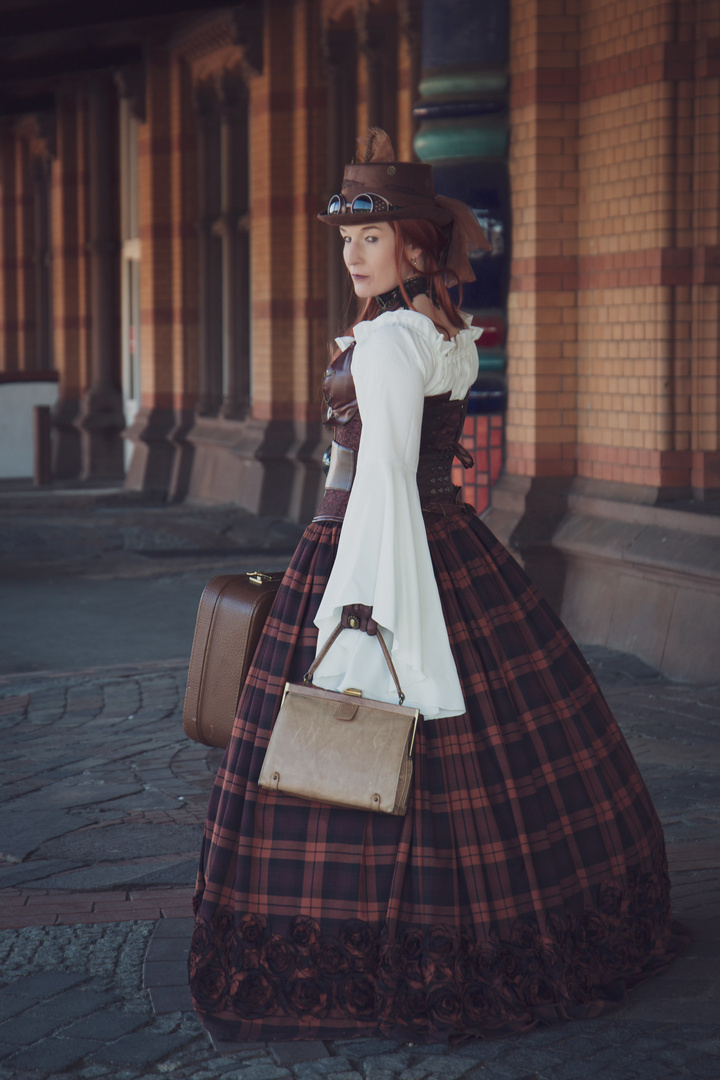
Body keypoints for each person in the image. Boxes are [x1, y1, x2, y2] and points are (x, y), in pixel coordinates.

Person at [189, 130, 686, 1044]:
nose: (352, 254)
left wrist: (358, 616)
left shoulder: (385, 343)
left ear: (415, 245)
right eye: (346, 239)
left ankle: (388, 942)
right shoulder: (443, 333)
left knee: (364, 723)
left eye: (369, 239)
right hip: (446, 536)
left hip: (378, 544)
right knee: (503, 748)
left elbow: (376, 483)